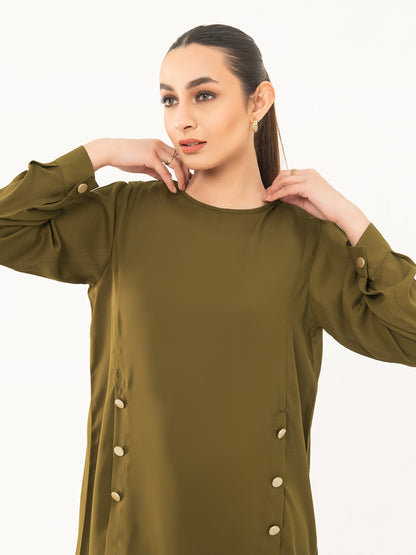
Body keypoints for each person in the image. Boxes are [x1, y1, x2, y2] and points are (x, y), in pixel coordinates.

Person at [1, 22, 416, 555]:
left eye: (203, 95)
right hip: (133, 534)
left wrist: (351, 219)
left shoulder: (308, 242)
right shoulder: (122, 217)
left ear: (258, 101)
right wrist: (99, 152)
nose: (182, 119)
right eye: (169, 100)